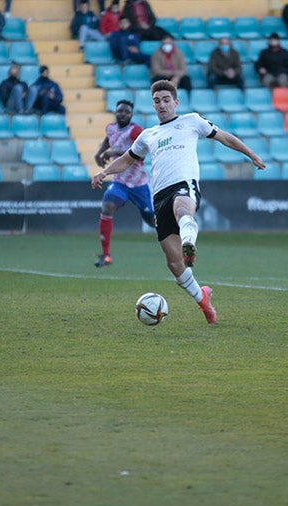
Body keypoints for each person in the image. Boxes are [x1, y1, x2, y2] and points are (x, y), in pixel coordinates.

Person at [92, 80, 266, 324]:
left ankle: (189, 243)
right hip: (158, 195)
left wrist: (252, 154)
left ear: (175, 102)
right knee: (174, 264)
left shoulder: (191, 121)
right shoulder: (148, 135)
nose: (161, 105)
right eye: (156, 101)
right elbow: (127, 158)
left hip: (184, 184)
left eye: (165, 100)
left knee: (182, 207)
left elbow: (224, 137)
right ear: (153, 105)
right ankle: (203, 300)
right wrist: (104, 173)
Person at [92, 100, 157, 267]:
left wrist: (115, 152)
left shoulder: (135, 131)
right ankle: (106, 255)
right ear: (116, 112)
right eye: (120, 111)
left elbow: (141, 155)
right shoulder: (111, 127)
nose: (122, 114)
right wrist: (99, 153)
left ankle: (177, 240)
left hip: (138, 183)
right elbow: (108, 139)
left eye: (126, 112)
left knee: (151, 220)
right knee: (107, 207)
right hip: (119, 182)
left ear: (131, 115)